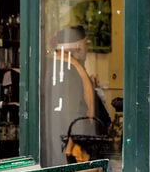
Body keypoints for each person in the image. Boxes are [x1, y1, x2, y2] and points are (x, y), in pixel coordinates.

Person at [47, 25, 110, 163]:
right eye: (86, 44)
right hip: (70, 146)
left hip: (53, 141)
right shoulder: (70, 69)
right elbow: (73, 111)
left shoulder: (51, 63)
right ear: (78, 46)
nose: (87, 49)